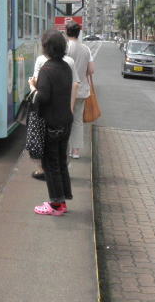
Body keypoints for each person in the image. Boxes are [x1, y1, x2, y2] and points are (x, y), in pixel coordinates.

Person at [28, 29, 77, 216]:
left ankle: (56, 205)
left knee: (50, 165)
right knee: (61, 162)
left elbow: (42, 97)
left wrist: (32, 86)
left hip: (52, 124)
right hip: (65, 120)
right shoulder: (65, 66)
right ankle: (63, 199)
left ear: (47, 48)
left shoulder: (47, 69)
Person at [65, 21, 95, 159]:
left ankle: (64, 148)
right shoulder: (86, 49)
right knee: (77, 121)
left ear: (66, 32)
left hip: (65, 90)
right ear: (79, 33)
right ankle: (75, 151)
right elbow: (91, 70)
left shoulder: (64, 48)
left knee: (64, 120)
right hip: (81, 90)